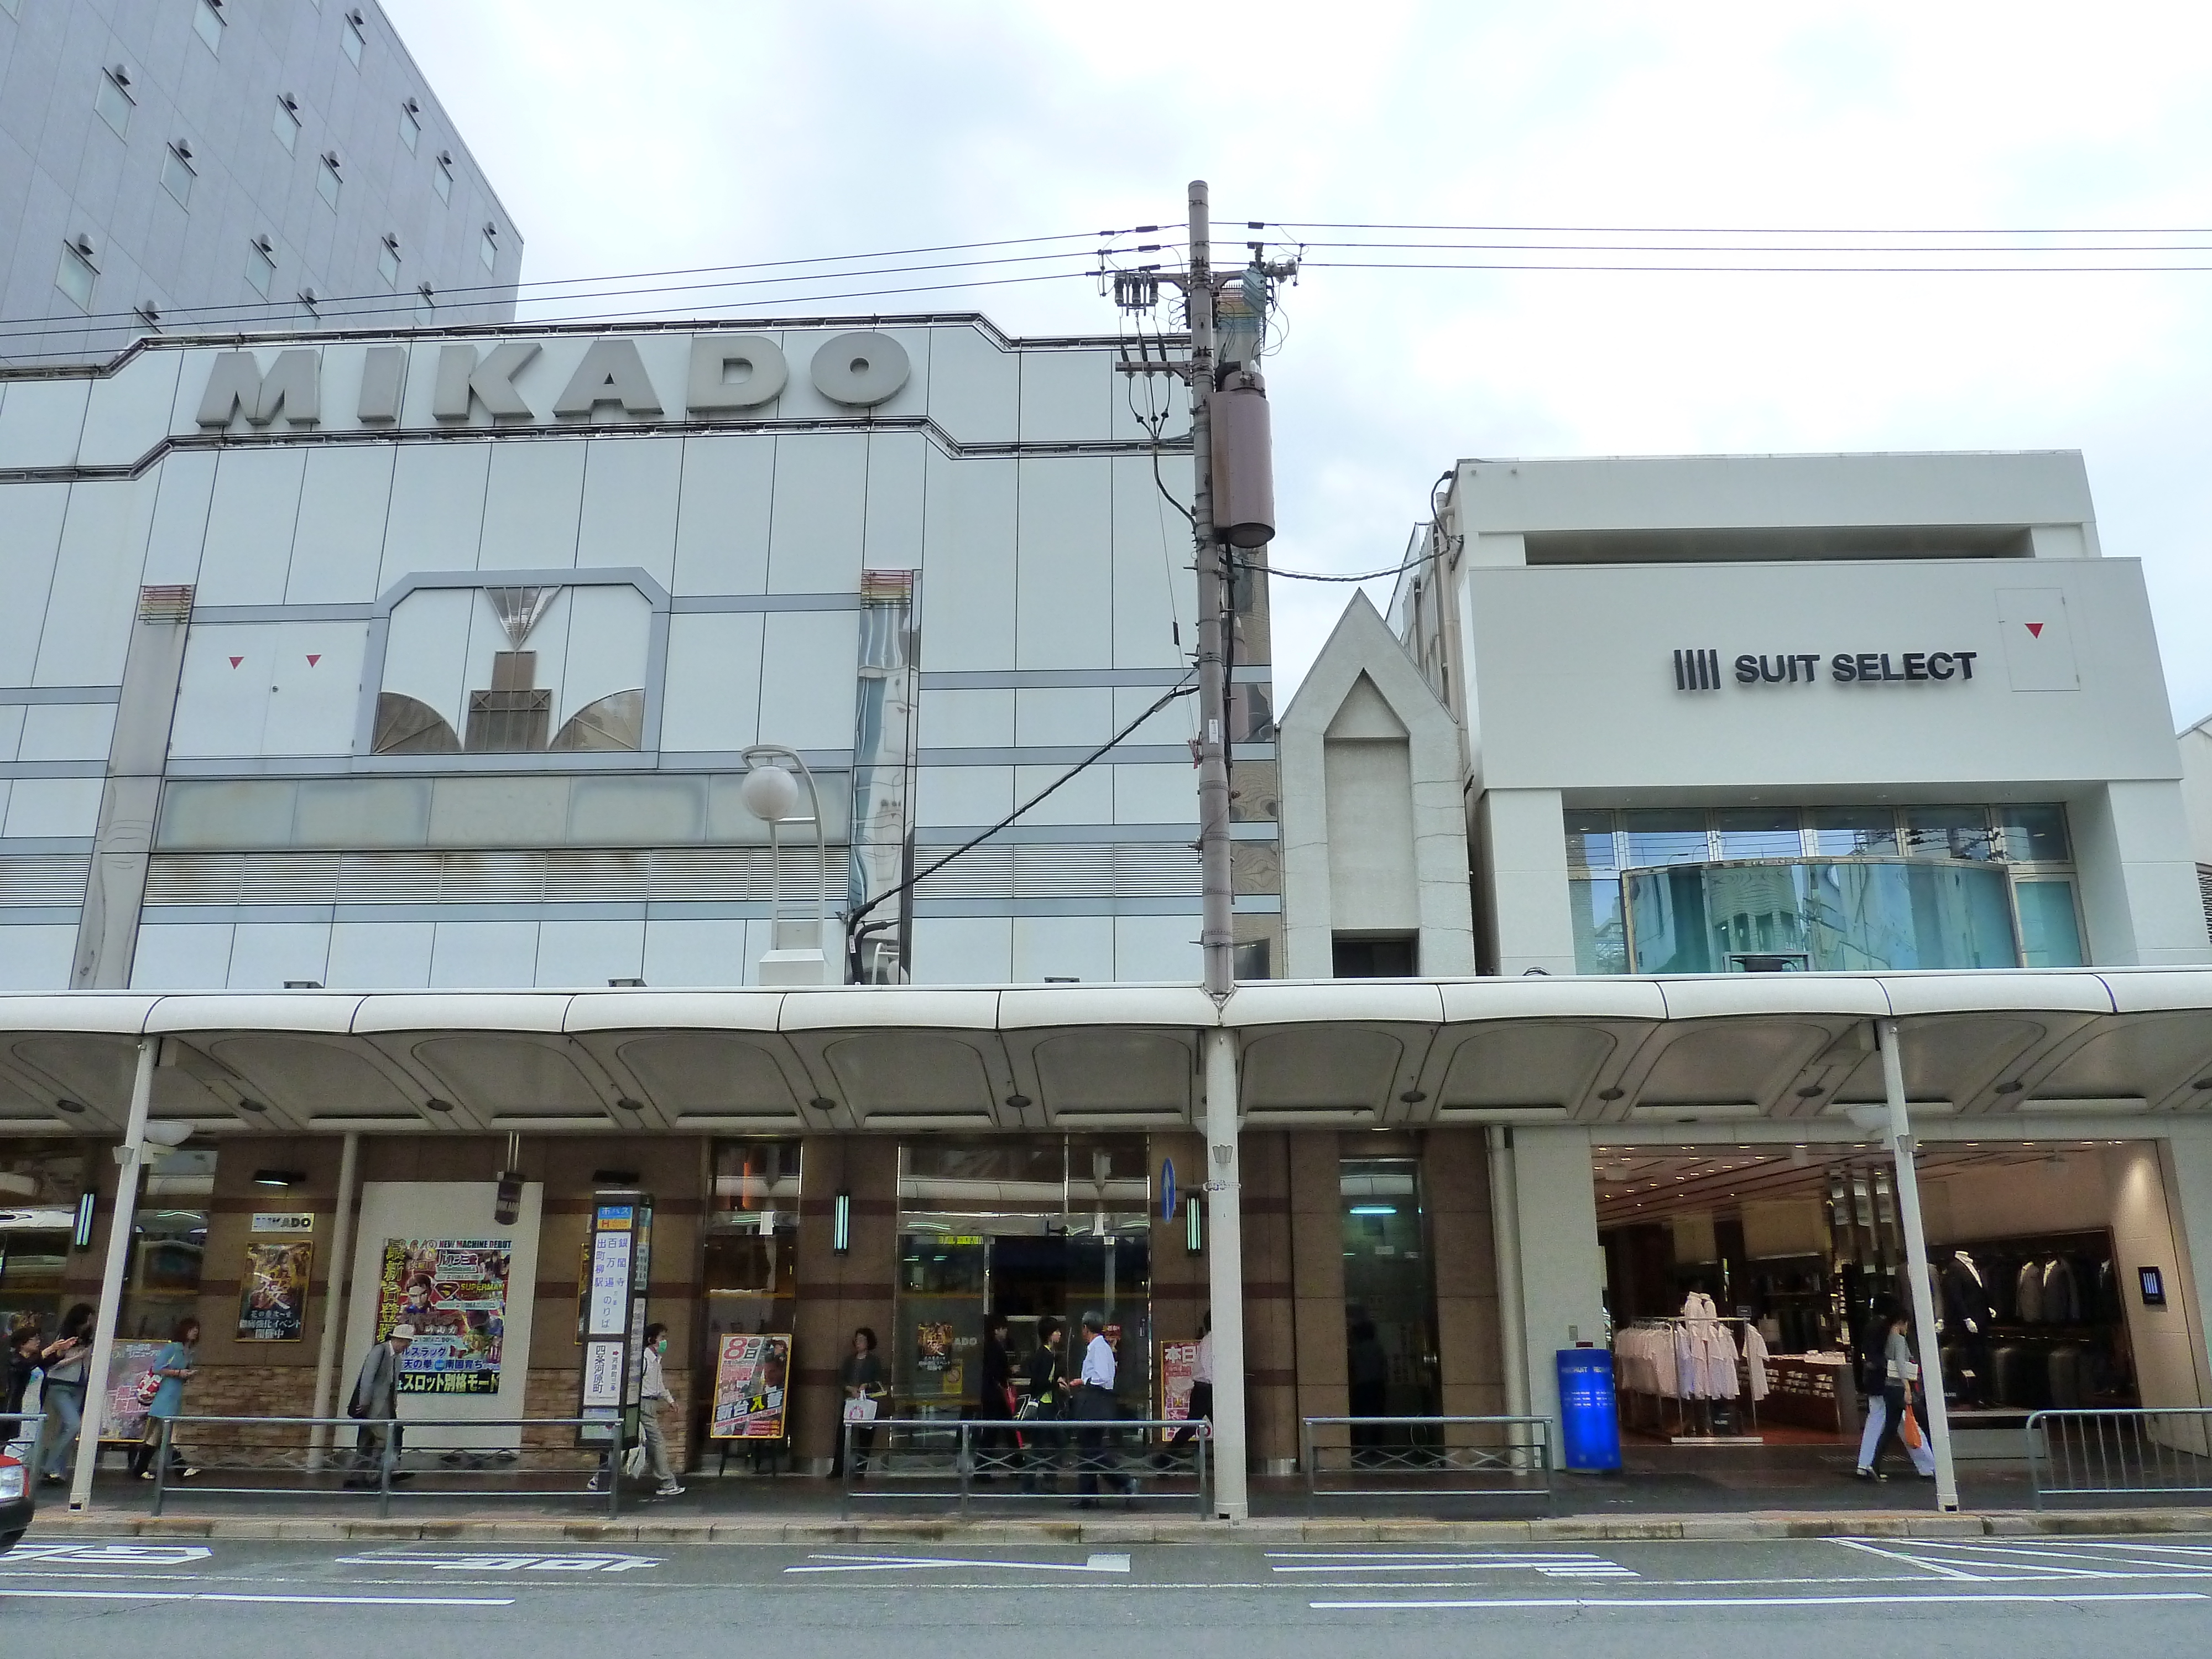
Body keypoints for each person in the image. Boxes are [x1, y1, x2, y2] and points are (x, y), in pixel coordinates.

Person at [1853, 1301, 1935, 1481]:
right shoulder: (1893, 1335)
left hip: (1879, 1384)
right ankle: (1929, 1466)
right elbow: (1898, 1361)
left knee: (1883, 1423)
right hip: (1893, 1384)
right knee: (1912, 1423)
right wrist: (1907, 1386)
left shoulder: (1875, 1329)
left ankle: (1868, 1464)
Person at [130, 1316, 201, 1481]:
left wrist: (188, 1375)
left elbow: (183, 1372)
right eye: (192, 1329)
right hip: (165, 1395)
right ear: (184, 1330)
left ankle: (140, 1468)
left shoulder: (189, 1351)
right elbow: (157, 1368)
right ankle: (180, 1468)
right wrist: (178, 1373)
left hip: (175, 1394)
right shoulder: (173, 1348)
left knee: (155, 1435)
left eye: (197, 1329)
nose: (195, 1332)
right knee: (172, 1431)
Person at [344, 1323, 414, 1489]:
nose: (407, 1346)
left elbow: (393, 1384)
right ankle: (377, 1474)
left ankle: (357, 1476)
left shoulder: (396, 1359)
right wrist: (364, 1401)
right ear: (398, 1339)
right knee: (385, 1439)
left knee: (366, 1442)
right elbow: (367, 1377)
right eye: (407, 1342)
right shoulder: (380, 1351)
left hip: (385, 1407)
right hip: (373, 1406)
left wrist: (394, 1402)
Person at [1071, 1311, 1130, 1506]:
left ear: (1086, 1328)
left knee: (1092, 1450)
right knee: (1088, 1450)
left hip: (1095, 1401)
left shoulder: (1098, 1348)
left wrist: (1083, 1380)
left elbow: (1103, 1377)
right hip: (1095, 1402)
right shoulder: (1098, 1347)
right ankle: (1089, 1496)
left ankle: (1124, 1481)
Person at [35, 1303, 93, 1486]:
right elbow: (54, 1364)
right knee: (73, 1425)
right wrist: (79, 1356)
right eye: (89, 1318)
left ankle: (58, 1470)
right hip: (60, 1384)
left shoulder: (89, 1337)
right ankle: (48, 1465)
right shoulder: (64, 1337)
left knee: (67, 1429)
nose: (91, 1322)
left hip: (79, 1385)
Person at [635, 1322, 684, 1498]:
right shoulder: (644, 1359)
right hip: (643, 1405)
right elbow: (633, 1382)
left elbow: (659, 1384)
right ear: (651, 1340)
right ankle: (668, 1482)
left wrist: (670, 1400)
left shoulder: (656, 1360)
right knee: (658, 1442)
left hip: (650, 1404)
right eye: (662, 1338)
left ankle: (600, 1478)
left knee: (631, 1445)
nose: (664, 1342)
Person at [1159, 1312, 1214, 1467]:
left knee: (1191, 1426)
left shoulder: (1209, 1340)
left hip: (1204, 1388)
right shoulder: (1211, 1341)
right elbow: (1208, 1366)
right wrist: (1217, 1385)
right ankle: (1163, 1460)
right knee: (1192, 1426)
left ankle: (1164, 1460)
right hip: (1206, 1389)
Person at [1021, 1317, 1067, 1494]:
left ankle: (1038, 1481)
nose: (1060, 1334)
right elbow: (1038, 1383)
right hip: (1044, 1407)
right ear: (1049, 1335)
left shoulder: (1045, 1353)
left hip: (1047, 1406)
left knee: (1042, 1445)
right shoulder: (1046, 1356)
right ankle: (1043, 1480)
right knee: (1056, 1443)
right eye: (1056, 1332)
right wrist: (1057, 1384)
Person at [835, 1326, 886, 1479]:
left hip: (867, 1402)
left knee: (865, 1437)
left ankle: (860, 1470)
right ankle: (838, 1469)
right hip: (850, 1401)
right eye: (857, 1340)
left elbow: (879, 1381)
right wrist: (850, 1388)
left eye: (862, 1340)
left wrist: (867, 1385)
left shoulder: (874, 1361)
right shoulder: (850, 1360)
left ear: (869, 1342)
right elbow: (841, 1379)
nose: (859, 1343)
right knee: (843, 1434)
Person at [975, 1313, 1015, 1479]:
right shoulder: (995, 1348)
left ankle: (1016, 1463)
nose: (1005, 1332)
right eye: (1003, 1329)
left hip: (992, 1394)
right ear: (997, 1330)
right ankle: (983, 1470)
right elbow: (999, 1372)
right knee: (996, 1432)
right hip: (996, 1396)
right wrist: (1011, 1371)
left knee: (1000, 1431)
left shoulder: (988, 1346)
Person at [3, 1325, 42, 1459]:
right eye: (34, 1339)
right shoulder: (15, 1360)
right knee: (18, 1441)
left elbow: (48, 1362)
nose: (38, 1342)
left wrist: (59, 1352)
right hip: (20, 1404)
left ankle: (25, 1472)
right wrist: (48, 1351)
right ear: (22, 1343)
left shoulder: (35, 1361)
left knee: (30, 1441)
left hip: (34, 1405)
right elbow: (23, 1367)